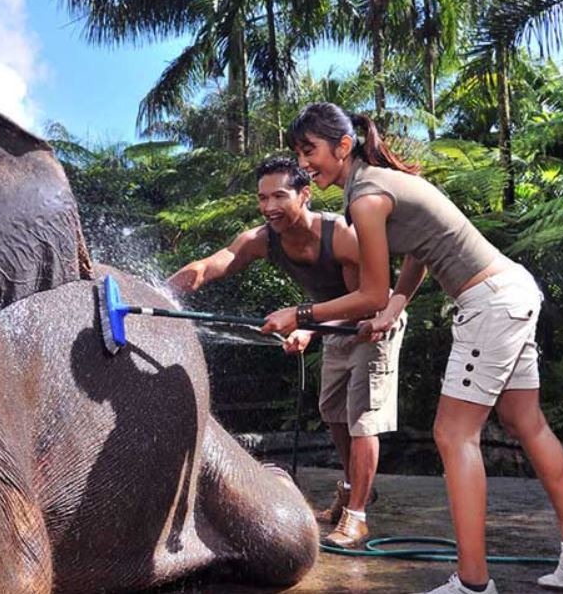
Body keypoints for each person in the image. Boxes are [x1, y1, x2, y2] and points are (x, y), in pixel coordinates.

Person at [261, 102, 563, 594]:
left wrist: (301, 314)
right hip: (511, 290)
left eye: (310, 151)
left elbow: (367, 292)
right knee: (525, 420)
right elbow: (416, 249)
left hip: (489, 302)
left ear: (343, 145)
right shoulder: (376, 181)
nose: (306, 163)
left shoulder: (367, 196)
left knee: (454, 435)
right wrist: (394, 307)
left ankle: (474, 584)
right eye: (300, 153)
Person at [167, 155, 406, 549]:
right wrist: (183, 280)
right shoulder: (261, 239)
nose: (269, 207)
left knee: (363, 418)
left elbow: (371, 297)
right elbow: (220, 261)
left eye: (279, 196)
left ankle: (357, 517)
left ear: (305, 194)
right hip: (328, 325)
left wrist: (306, 325)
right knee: (333, 413)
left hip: (375, 324)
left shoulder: (342, 235)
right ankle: (351, 487)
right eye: (262, 198)